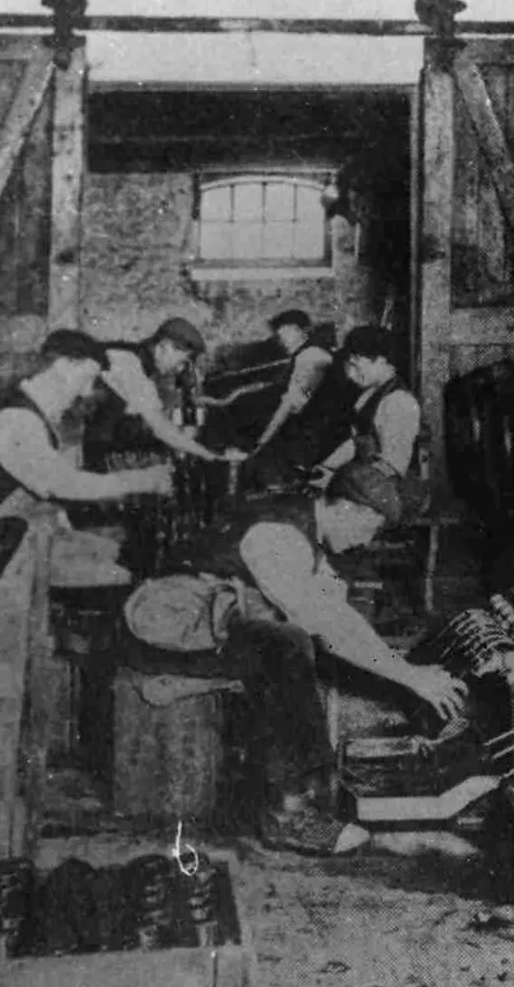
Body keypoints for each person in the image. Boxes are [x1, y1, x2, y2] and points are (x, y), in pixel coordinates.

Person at [151, 457, 466, 856]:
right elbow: (327, 625)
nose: (366, 541)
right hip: (172, 627)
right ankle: (288, 816)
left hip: (206, 624)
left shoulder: (304, 528)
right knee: (287, 647)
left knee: (297, 640)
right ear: (349, 508)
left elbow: (339, 614)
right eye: (369, 527)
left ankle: (320, 777)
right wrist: (409, 676)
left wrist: (405, 672)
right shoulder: (279, 536)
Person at [0, 329, 172, 518]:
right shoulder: (16, 419)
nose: (87, 392)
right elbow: (61, 484)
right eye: (87, 378)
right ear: (63, 365)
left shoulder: (34, 414)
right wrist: (142, 480)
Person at [87, 317, 247, 468]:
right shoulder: (128, 364)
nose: (179, 367)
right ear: (165, 346)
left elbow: (169, 419)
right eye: (181, 360)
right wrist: (213, 457)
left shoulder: (134, 360)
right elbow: (161, 428)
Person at [317, 325, 423, 526]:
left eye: (356, 365)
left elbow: (394, 465)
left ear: (381, 361)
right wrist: (324, 469)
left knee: (326, 513)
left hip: (394, 490)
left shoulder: (399, 401)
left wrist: (338, 479)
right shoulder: (369, 395)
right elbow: (357, 442)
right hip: (368, 483)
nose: (350, 374)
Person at [251, 310, 335, 456]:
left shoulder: (310, 357)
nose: (282, 340)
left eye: (287, 333)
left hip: (317, 434)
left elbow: (289, 405)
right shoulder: (307, 353)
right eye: (280, 335)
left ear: (301, 331)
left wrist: (261, 444)